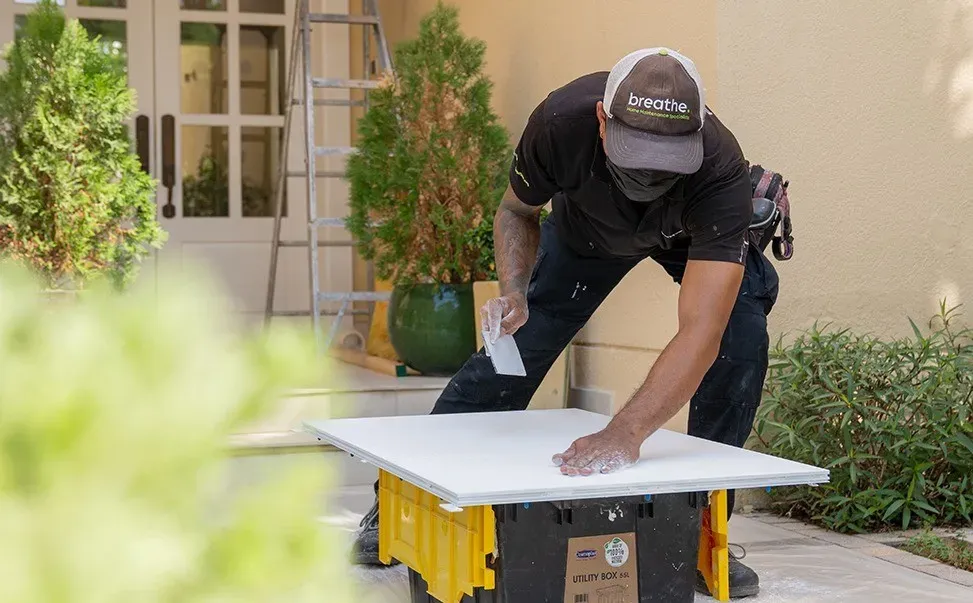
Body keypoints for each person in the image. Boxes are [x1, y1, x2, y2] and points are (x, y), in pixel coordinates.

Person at [352, 47, 779, 600]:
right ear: (603, 120)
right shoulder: (560, 122)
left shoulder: (720, 169)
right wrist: (514, 292)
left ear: (696, 136)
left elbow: (701, 330)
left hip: (687, 236)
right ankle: (397, 513)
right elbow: (516, 211)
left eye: (664, 161)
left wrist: (626, 432)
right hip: (587, 237)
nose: (647, 174)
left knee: (740, 337)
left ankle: (697, 537)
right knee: (516, 346)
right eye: (635, 154)